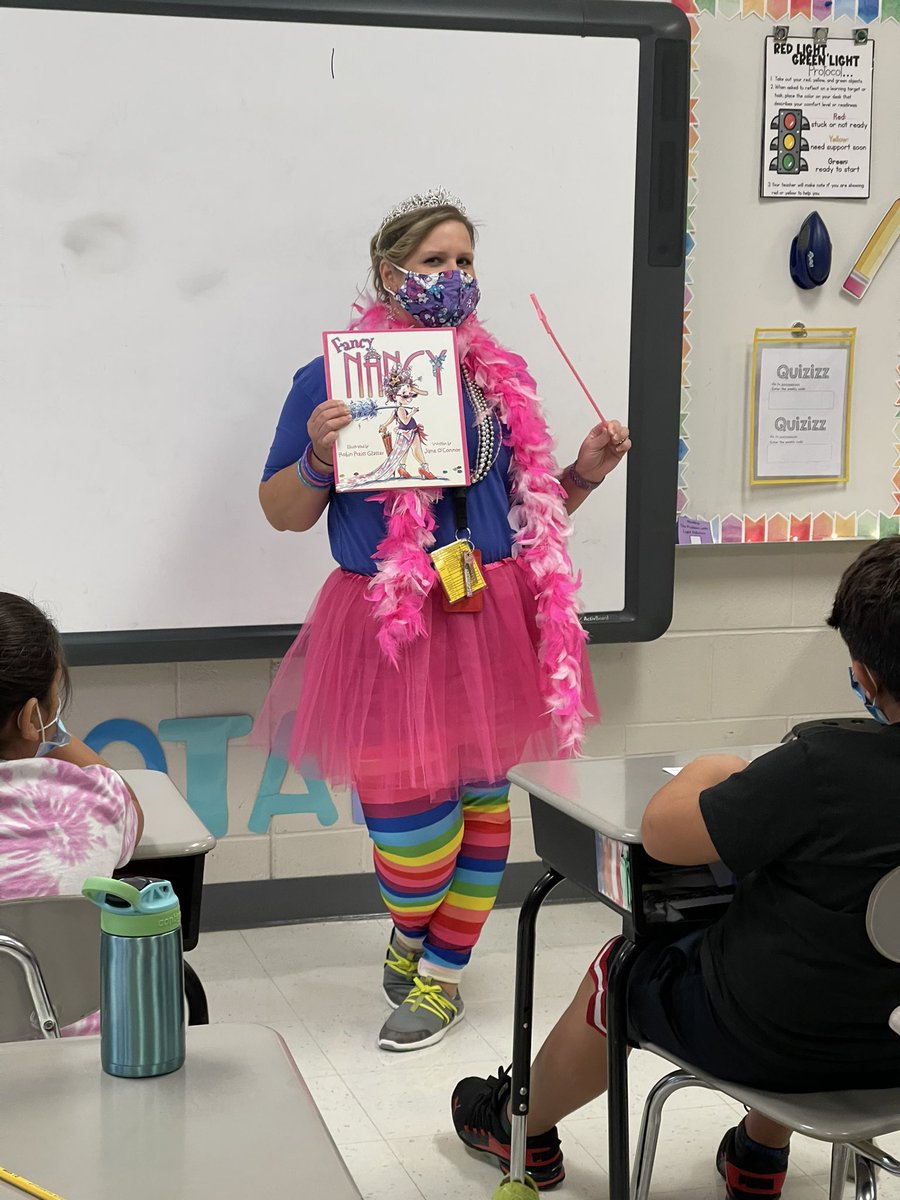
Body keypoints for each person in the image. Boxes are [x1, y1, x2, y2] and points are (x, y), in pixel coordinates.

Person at [256, 188, 631, 1052]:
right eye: (435, 262)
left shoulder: (491, 378)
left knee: (485, 806)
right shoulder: (328, 382)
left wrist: (582, 471)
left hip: (489, 611)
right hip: (390, 616)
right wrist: (318, 453)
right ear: (390, 274)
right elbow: (282, 513)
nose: (454, 276)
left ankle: (440, 980)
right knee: (412, 840)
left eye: (465, 262)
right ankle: (410, 928)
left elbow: (525, 513)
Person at [452, 535, 900, 1192]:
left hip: (772, 1045)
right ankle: (757, 1155)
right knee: (812, 936)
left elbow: (663, 835)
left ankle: (521, 1126)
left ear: (864, 676)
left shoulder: (822, 768)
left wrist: (707, 770)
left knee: (624, 966)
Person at [0, 592, 144, 1034]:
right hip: (82, 1059)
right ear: (31, 717)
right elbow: (131, 808)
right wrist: (52, 733)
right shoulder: (94, 799)